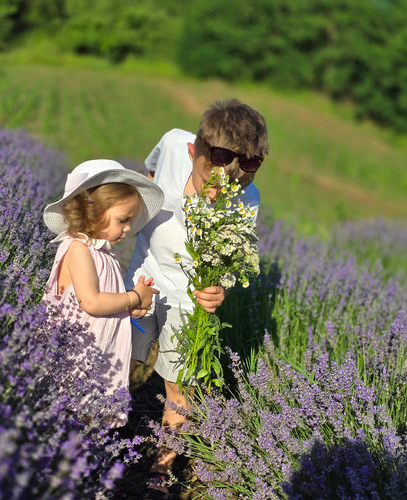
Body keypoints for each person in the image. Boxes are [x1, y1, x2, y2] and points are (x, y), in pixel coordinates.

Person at [124, 98, 269, 498]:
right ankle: (109, 428)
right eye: (213, 176)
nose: (222, 189)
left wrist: (217, 289)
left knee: (178, 387)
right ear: (196, 149)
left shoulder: (248, 199)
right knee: (124, 358)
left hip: (189, 301)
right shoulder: (173, 144)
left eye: (237, 182)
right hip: (143, 277)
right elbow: (148, 171)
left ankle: (160, 467)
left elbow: (228, 254)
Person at [42, 159, 164, 427]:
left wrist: (132, 305)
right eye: (123, 220)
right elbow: (92, 301)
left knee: (88, 418)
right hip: (76, 357)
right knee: (67, 411)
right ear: (94, 212)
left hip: (99, 355)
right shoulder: (78, 249)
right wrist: (133, 296)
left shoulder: (103, 254)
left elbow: (108, 301)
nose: (128, 228)